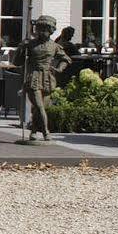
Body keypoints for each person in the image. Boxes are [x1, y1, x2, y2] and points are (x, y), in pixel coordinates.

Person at [15, 15, 70, 145]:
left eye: (45, 29)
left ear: (51, 30)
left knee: (39, 109)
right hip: (33, 77)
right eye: (40, 29)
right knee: (39, 107)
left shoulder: (54, 46)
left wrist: (59, 69)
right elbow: (17, 62)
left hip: (47, 78)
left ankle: (33, 131)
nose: (42, 32)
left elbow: (66, 59)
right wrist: (21, 48)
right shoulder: (30, 44)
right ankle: (46, 131)